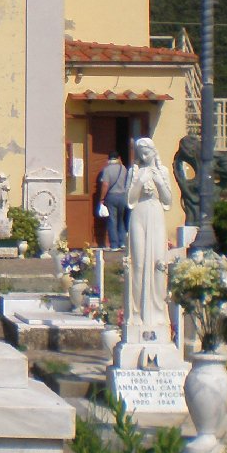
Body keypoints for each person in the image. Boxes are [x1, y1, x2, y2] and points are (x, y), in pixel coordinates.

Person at [125, 137, 173, 337]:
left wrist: (159, 182)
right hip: (139, 216)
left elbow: (168, 200)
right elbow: (129, 200)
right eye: (140, 152)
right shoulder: (134, 172)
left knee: (158, 264)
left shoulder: (162, 171)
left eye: (147, 152)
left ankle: (157, 312)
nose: (144, 156)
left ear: (154, 151)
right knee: (138, 264)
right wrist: (140, 182)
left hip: (156, 215)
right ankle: (136, 313)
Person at [96, 151, 129, 249]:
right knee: (121, 220)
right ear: (118, 158)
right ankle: (122, 242)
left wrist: (101, 198)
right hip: (123, 196)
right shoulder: (123, 169)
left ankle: (114, 244)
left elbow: (105, 184)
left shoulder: (106, 170)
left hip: (111, 196)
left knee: (112, 221)